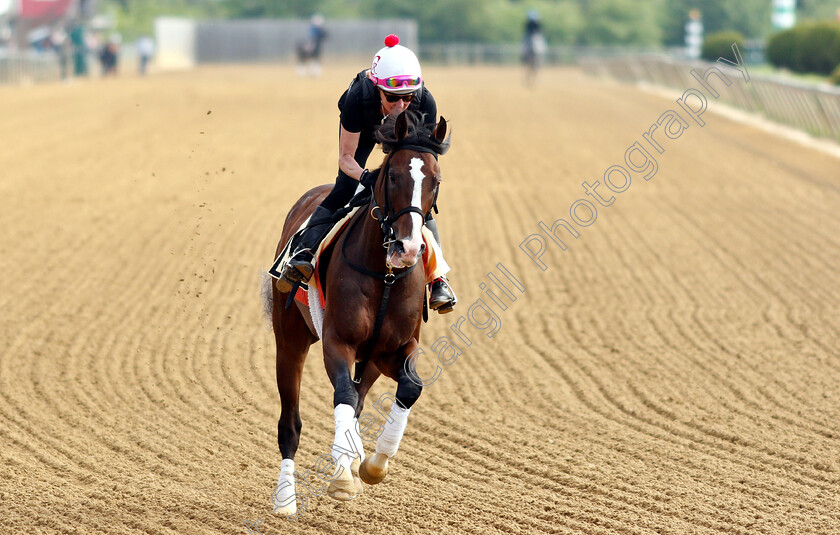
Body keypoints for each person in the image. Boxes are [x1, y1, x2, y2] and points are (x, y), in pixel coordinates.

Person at [279, 34, 457, 313]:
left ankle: (438, 279)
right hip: (364, 128)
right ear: (377, 89)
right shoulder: (357, 98)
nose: (401, 106)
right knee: (344, 188)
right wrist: (365, 178)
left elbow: (425, 163)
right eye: (392, 98)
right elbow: (346, 158)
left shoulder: (424, 101)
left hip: (405, 139)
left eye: (407, 98)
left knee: (416, 205)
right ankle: (304, 252)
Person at [522, 10, 546, 86]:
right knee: (524, 45)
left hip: (536, 38)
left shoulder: (538, 23)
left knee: (540, 43)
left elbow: (540, 32)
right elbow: (526, 32)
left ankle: (540, 54)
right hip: (528, 38)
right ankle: (523, 55)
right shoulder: (527, 24)